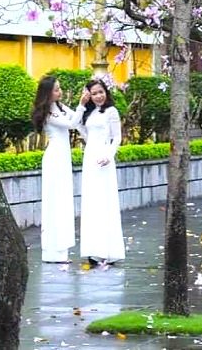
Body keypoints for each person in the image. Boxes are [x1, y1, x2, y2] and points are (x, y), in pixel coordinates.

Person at [31, 74, 84, 263]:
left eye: (59, 88)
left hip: (63, 158)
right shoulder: (47, 113)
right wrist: (81, 104)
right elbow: (71, 124)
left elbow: (78, 120)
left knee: (63, 201)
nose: (59, 92)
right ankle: (52, 251)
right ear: (47, 93)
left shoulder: (60, 108)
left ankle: (61, 249)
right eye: (56, 89)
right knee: (55, 202)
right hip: (54, 159)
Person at [78, 79, 126, 265]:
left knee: (105, 202)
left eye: (101, 92)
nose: (99, 96)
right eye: (94, 93)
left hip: (104, 159)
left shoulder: (111, 111)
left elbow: (117, 138)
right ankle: (93, 250)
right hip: (90, 158)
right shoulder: (89, 113)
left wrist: (109, 155)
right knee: (91, 203)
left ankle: (108, 250)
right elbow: (82, 130)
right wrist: (81, 105)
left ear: (105, 92)